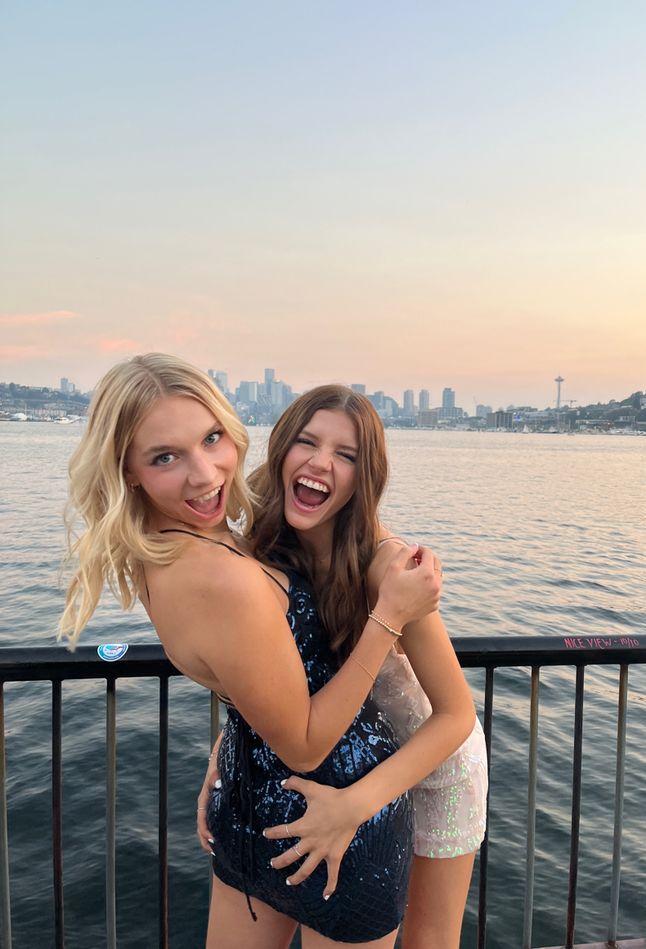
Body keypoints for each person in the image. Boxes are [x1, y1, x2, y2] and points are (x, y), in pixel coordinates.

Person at [59, 353, 443, 949]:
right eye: (165, 456)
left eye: (212, 438)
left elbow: (254, 675)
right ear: (126, 470)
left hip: (257, 808)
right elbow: (307, 744)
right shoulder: (221, 574)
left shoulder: (174, 547)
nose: (206, 474)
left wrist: (228, 743)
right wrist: (388, 614)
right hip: (336, 821)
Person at [197, 385, 488, 949]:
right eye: (307, 442)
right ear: (281, 452)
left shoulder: (386, 568)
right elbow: (278, 682)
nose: (320, 463)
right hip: (347, 754)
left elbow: (455, 715)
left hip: (434, 762)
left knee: (429, 938)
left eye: (346, 455)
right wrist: (220, 757)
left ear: (363, 477)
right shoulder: (265, 547)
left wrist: (351, 808)